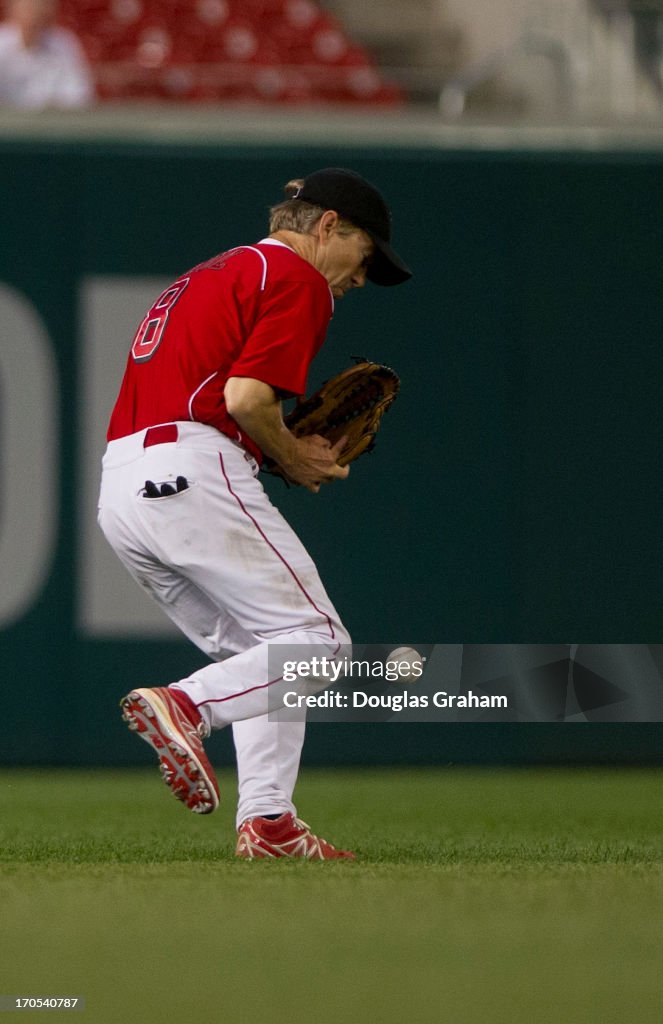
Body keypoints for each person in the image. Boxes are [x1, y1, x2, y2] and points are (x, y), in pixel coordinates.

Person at [98, 168, 412, 860]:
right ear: (329, 227)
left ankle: (269, 822)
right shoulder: (296, 279)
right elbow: (245, 398)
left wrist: (269, 445)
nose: (361, 280)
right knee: (320, 645)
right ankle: (185, 706)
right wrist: (293, 456)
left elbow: (223, 397)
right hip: (192, 467)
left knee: (264, 656)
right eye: (366, 257)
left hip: (124, 485)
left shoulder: (215, 272)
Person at [0, 0, 94, 109]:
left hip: (50, 122)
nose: (32, 18)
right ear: (13, 12)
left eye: (38, 10)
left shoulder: (64, 43)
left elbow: (80, 94)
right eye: (27, 9)